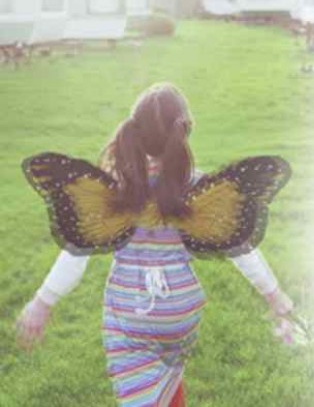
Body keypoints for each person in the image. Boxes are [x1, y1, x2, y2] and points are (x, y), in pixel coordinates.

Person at [16, 83, 294, 407]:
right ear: (185, 131)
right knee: (166, 381)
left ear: (134, 131)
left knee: (142, 392)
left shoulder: (115, 191)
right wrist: (275, 296)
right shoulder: (198, 188)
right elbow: (242, 249)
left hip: (130, 314)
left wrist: (42, 303)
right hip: (181, 313)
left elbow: (75, 252)